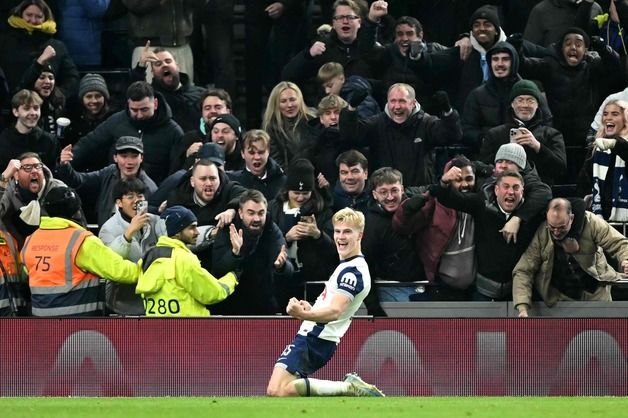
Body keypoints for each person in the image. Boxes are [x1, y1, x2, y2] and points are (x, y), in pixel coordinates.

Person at [266, 207, 385, 398]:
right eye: (337, 231)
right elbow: (331, 307)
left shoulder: (352, 272)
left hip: (316, 338)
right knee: (278, 390)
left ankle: (348, 387)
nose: (341, 237)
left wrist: (303, 314)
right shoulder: (347, 266)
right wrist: (311, 309)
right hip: (316, 336)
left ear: (360, 235)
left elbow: (335, 312)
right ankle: (347, 388)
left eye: (347, 232)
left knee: (277, 390)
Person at [21, 186, 140, 316]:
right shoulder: (81, 241)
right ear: (77, 211)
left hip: (41, 327)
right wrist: (150, 267)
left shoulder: (30, 240)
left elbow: (26, 276)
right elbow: (122, 272)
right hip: (77, 328)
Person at [433, 170, 544, 301]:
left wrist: (518, 218)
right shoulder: (482, 204)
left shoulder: (532, 212)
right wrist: (444, 182)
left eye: (516, 187)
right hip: (483, 291)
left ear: (522, 191)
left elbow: (546, 193)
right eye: (506, 187)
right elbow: (450, 199)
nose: (510, 192)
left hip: (518, 290)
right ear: (496, 190)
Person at [513, 197, 628, 317]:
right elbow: (523, 270)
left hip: (596, 293)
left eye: (562, 227)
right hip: (562, 298)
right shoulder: (542, 234)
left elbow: (619, 243)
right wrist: (522, 307)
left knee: (606, 332)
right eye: (552, 227)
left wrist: (626, 258)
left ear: (572, 218)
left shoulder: (591, 222)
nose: (556, 232)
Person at [339, 82, 461, 187]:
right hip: (385, 194)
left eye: (402, 101)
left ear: (413, 103)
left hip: (420, 195)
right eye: (393, 101)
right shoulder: (377, 123)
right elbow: (351, 135)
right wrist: (351, 109)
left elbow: (452, 136)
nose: (397, 106)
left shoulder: (426, 123)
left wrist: (448, 112)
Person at [392, 156, 477, 301]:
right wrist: (407, 208)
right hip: (440, 287)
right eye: (458, 179)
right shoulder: (435, 205)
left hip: (475, 290)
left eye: (469, 179)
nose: (464, 184)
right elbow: (401, 226)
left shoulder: (480, 204)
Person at [136, 205, 240, 317]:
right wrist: (233, 277)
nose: (197, 232)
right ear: (176, 232)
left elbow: (126, 273)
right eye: (191, 227)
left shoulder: (148, 256)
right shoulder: (184, 258)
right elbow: (212, 293)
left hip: (156, 330)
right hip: (189, 330)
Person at [71, 81, 183, 184]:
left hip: (152, 192)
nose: (139, 115)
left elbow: (175, 171)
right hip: (115, 187)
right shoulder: (117, 120)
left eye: (144, 110)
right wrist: (65, 162)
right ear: (128, 104)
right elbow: (90, 143)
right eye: (134, 110)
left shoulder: (173, 131)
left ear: (155, 103)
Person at [211, 189, 293, 315]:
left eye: (261, 213)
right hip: (230, 305)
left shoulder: (271, 229)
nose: (256, 218)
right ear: (240, 213)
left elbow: (289, 271)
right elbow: (217, 270)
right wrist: (234, 253)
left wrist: (282, 267)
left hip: (262, 305)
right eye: (251, 213)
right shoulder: (227, 230)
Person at [462, 43, 554, 153]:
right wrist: (485, 139)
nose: (499, 64)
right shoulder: (477, 94)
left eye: (505, 59)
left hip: (527, 155)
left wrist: (531, 140)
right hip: (489, 157)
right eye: (495, 59)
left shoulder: (531, 91)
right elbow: (467, 129)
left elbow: (547, 123)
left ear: (514, 62)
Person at [269, 159, 336, 307]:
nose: (300, 198)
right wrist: (286, 237)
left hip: (314, 283)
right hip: (281, 281)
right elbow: (264, 243)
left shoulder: (322, 210)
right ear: (287, 190)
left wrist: (318, 235)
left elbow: (335, 251)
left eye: (305, 193)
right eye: (296, 193)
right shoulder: (274, 208)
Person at [479, 79, 567, 186]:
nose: (525, 105)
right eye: (520, 100)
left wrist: (538, 147)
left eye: (530, 100)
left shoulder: (552, 134)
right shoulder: (494, 134)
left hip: (540, 191)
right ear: (512, 104)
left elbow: (560, 169)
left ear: (537, 104)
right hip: (503, 191)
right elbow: (483, 167)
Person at [99, 177, 165, 316]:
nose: (136, 200)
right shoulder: (108, 229)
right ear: (119, 202)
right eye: (130, 197)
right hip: (122, 303)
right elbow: (110, 263)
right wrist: (128, 234)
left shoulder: (156, 221)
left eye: (140, 196)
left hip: (154, 302)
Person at [57, 136, 158, 226]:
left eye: (134, 156)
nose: (129, 162)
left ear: (141, 158)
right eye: (124, 156)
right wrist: (65, 165)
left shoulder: (149, 188)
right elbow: (79, 181)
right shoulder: (109, 172)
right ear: (115, 158)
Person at [362, 167, 424, 305]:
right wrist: (372, 304)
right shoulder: (371, 224)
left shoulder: (418, 208)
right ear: (374, 194)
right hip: (390, 289)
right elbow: (365, 265)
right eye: (383, 192)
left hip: (427, 286)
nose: (390, 197)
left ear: (402, 189)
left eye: (394, 190)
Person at [0, 152, 83, 248]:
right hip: (19, 245)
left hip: (54, 245)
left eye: (37, 166)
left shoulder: (58, 189)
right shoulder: (9, 188)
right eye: (27, 167)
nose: (34, 171)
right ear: (16, 175)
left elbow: (78, 223)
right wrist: (4, 178)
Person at [0, 0, 79, 97]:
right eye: (29, 15)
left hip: (46, 107)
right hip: (12, 105)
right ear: (20, 15)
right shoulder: (5, 42)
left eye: (39, 16)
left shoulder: (57, 46)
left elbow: (72, 77)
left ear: (46, 18)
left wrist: (58, 95)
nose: (33, 20)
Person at [131, 46, 206, 132]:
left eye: (168, 61)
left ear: (177, 66)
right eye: (158, 64)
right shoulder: (153, 98)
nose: (164, 65)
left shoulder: (201, 94)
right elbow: (136, 94)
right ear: (152, 72)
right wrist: (140, 67)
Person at [124, 0, 202, 81]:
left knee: (185, 90)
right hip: (148, 47)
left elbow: (201, 5)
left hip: (182, 46)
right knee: (148, 91)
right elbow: (134, 5)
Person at [577, 100, 628, 221]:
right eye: (605, 114)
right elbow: (583, 183)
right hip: (602, 220)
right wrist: (590, 197)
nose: (608, 118)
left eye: (615, 114)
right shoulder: (597, 148)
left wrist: (617, 144)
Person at [262, 81, 316, 170]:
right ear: (276, 104)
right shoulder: (271, 128)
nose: (289, 105)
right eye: (283, 101)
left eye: (292, 100)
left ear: (300, 100)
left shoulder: (313, 121)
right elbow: (276, 161)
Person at [175, 88, 233, 170]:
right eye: (207, 108)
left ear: (228, 111)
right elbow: (175, 173)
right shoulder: (189, 139)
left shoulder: (240, 140)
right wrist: (187, 157)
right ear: (202, 112)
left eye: (218, 107)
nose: (213, 111)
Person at [0, 89, 57, 172]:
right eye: (27, 108)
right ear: (15, 112)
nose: (33, 113)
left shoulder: (49, 141)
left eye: (36, 108)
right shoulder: (3, 141)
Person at [227, 129, 286, 201]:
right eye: (251, 153)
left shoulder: (283, 182)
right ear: (242, 154)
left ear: (268, 152)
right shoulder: (232, 181)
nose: (257, 157)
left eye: (261, 152)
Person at [62, 73, 114, 150]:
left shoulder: (113, 119)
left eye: (98, 96)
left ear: (105, 98)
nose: (94, 101)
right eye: (89, 96)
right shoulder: (73, 120)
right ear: (82, 99)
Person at [19, 61, 66, 138]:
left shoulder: (59, 102)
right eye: (42, 77)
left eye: (51, 78)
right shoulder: (23, 102)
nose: (47, 81)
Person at [331, 149, 370, 214]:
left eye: (355, 171)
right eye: (344, 172)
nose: (350, 177)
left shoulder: (377, 198)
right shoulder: (330, 201)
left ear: (365, 173)